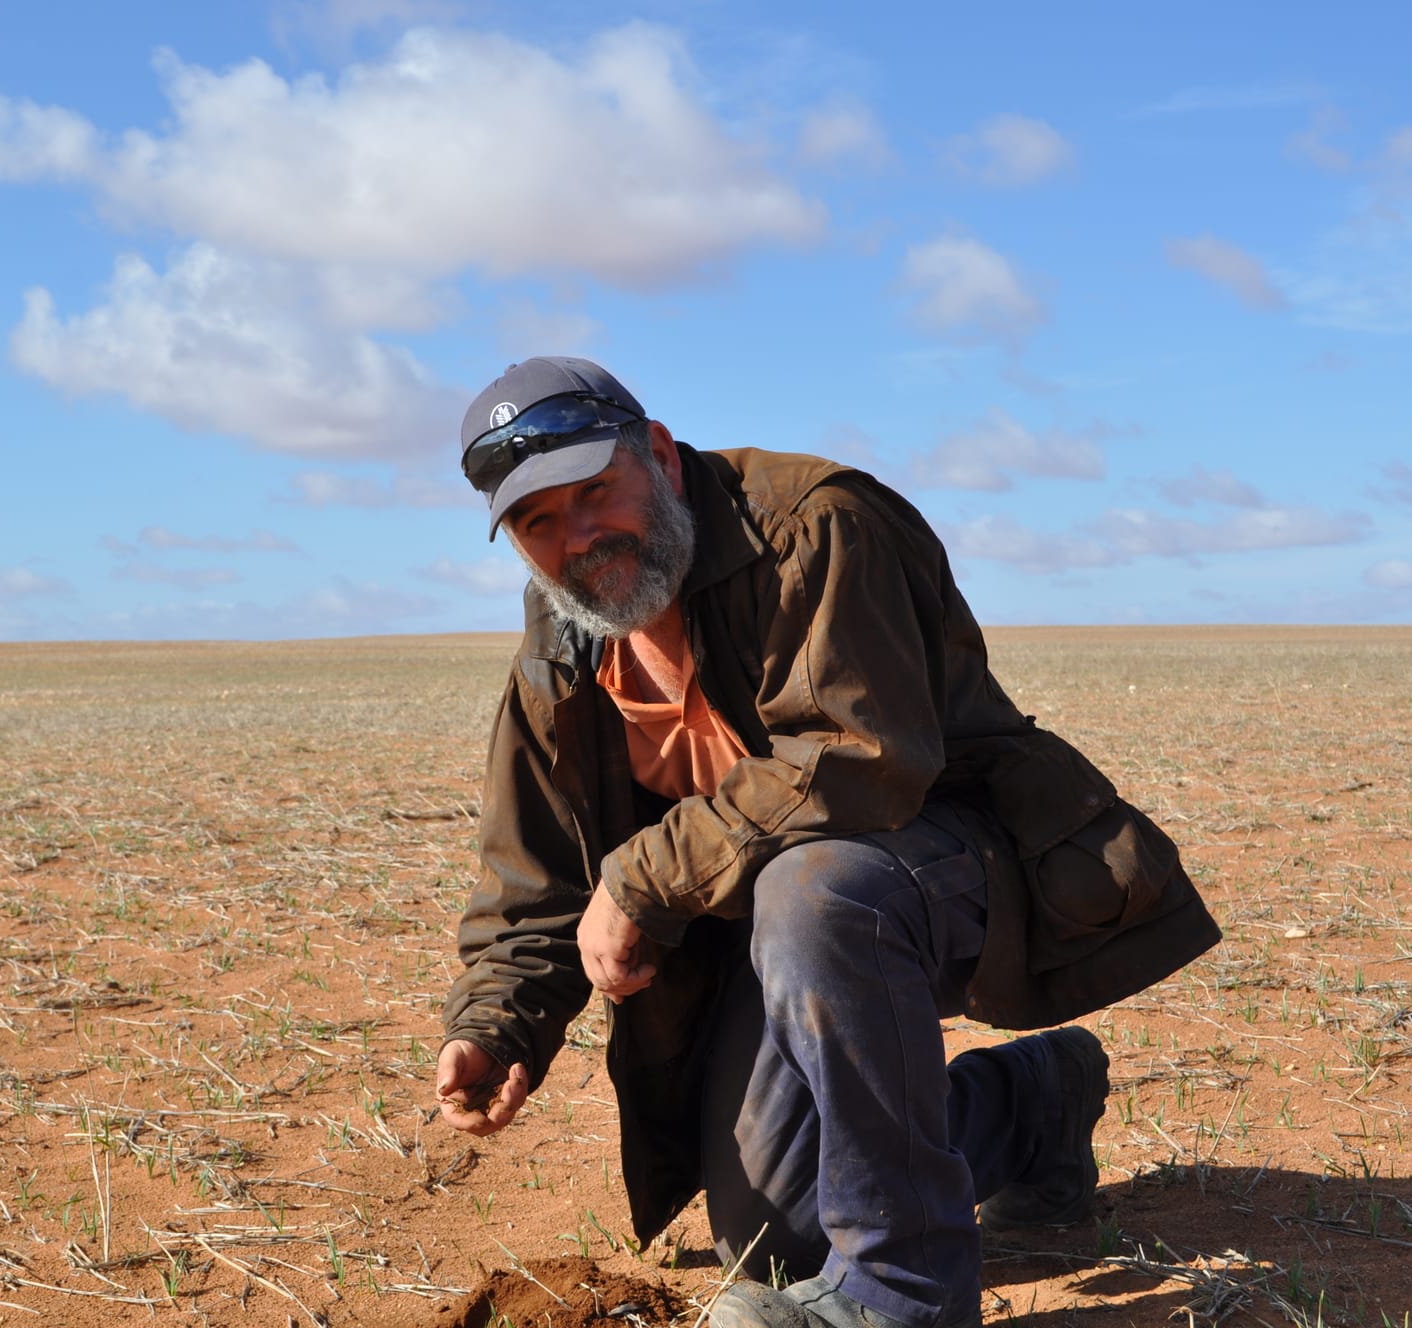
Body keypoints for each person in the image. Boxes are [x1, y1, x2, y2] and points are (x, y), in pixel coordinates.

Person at [434, 356, 1220, 1328]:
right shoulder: (566, 642)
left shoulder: (813, 526)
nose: (578, 537)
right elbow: (536, 877)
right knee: (775, 1234)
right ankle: (1031, 1106)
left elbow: (857, 763)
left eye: (595, 491)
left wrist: (641, 876)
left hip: (946, 863)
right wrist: (494, 1025)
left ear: (661, 458)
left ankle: (903, 1293)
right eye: (537, 521)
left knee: (812, 885)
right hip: (770, 933)